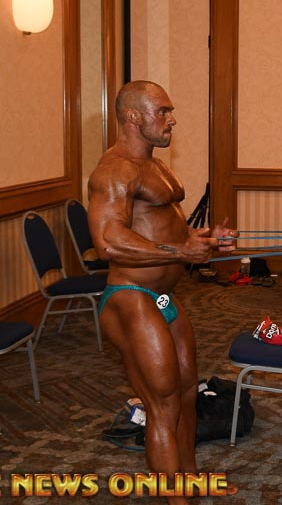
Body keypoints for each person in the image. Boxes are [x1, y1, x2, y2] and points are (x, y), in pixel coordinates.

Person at [87, 81, 238, 501]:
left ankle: (188, 484)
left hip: (164, 298)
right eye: (163, 112)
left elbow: (163, 231)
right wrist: (180, 251)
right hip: (131, 297)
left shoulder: (155, 167)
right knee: (163, 404)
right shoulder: (114, 170)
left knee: (187, 395)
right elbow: (108, 241)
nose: (172, 120)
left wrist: (203, 239)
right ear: (133, 117)